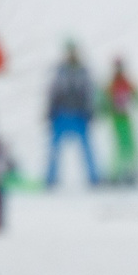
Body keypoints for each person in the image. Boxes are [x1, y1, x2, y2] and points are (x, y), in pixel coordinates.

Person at [44, 42, 98, 188]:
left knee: (87, 148)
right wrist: (49, 111)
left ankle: (94, 177)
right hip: (61, 114)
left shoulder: (83, 71)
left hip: (79, 115)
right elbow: (52, 91)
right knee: (54, 147)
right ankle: (50, 178)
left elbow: (90, 92)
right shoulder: (60, 71)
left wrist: (90, 111)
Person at [101, 57, 138, 188]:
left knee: (130, 145)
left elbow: (137, 94)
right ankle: (117, 173)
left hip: (126, 117)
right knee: (120, 146)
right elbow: (104, 98)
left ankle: (131, 171)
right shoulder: (112, 83)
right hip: (117, 118)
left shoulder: (126, 81)